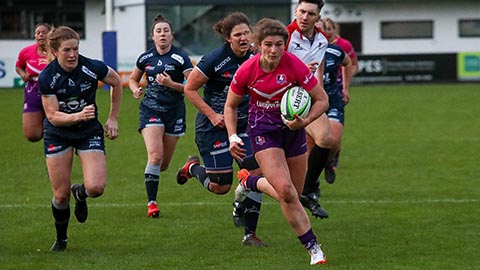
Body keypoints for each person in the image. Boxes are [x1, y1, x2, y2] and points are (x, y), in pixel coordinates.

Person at [224, 18, 329, 265]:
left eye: (279, 44)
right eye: (268, 44)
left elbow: (322, 100)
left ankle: (249, 181)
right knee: (285, 191)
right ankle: (314, 249)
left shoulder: (294, 66)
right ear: (258, 45)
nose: (274, 50)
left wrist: (304, 122)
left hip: (293, 132)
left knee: (295, 192)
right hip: (263, 132)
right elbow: (230, 105)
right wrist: (232, 136)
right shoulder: (247, 70)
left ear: (285, 45)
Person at [176, 12, 266, 247]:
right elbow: (190, 89)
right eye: (238, 35)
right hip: (213, 127)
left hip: (245, 124)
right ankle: (193, 168)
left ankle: (250, 234)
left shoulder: (256, 56)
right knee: (221, 186)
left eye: (247, 33)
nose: (243, 38)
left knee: (256, 173)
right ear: (228, 38)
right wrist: (212, 115)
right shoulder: (215, 59)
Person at [38, 26, 122, 252]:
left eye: (75, 48)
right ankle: (62, 238)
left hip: (88, 132)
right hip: (58, 133)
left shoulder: (92, 67)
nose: (73, 54)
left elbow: (116, 82)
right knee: (60, 194)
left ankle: (81, 193)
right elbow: (53, 116)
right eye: (67, 50)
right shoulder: (48, 77)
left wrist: (113, 118)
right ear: (55, 52)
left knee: (96, 188)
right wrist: (77, 115)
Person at [129, 14, 193, 218]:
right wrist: (135, 89)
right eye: (159, 31)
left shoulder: (181, 58)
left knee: (163, 164)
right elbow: (132, 79)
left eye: (166, 30)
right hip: (151, 110)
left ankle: (188, 167)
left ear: (171, 36)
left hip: (174, 113)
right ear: (153, 36)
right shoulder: (145, 58)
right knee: (155, 156)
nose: (162, 34)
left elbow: (192, 87)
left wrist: (171, 85)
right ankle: (152, 204)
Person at [286, 0, 331, 219]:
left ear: (317, 17)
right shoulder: (285, 36)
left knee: (325, 139)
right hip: (285, 100)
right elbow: (271, 68)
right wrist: (299, 70)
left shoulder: (322, 39)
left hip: (309, 99)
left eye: (310, 13)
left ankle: (308, 190)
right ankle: (245, 189)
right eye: (302, 11)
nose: (305, 17)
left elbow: (318, 68)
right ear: (295, 12)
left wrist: (320, 93)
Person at [323, 17, 359, 182]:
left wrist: (345, 86)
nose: (327, 32)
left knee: (334, 139)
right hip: (311, 100)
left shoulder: (339, 47)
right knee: (310, 148)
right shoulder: (301, 49)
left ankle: (330, 161)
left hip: (333, 95)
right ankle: (311, 187)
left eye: (329, 28)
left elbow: (351, 64)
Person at [15, 23, 52, 142]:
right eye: (37, 33)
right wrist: (23, 75)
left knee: (56, 132)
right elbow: (18, 66)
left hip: (54, 91)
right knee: (33, 135)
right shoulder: (26, 51)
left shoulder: (58, 51)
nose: (40, 35)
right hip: (33, 91)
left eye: (44, 32)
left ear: (50, 34)